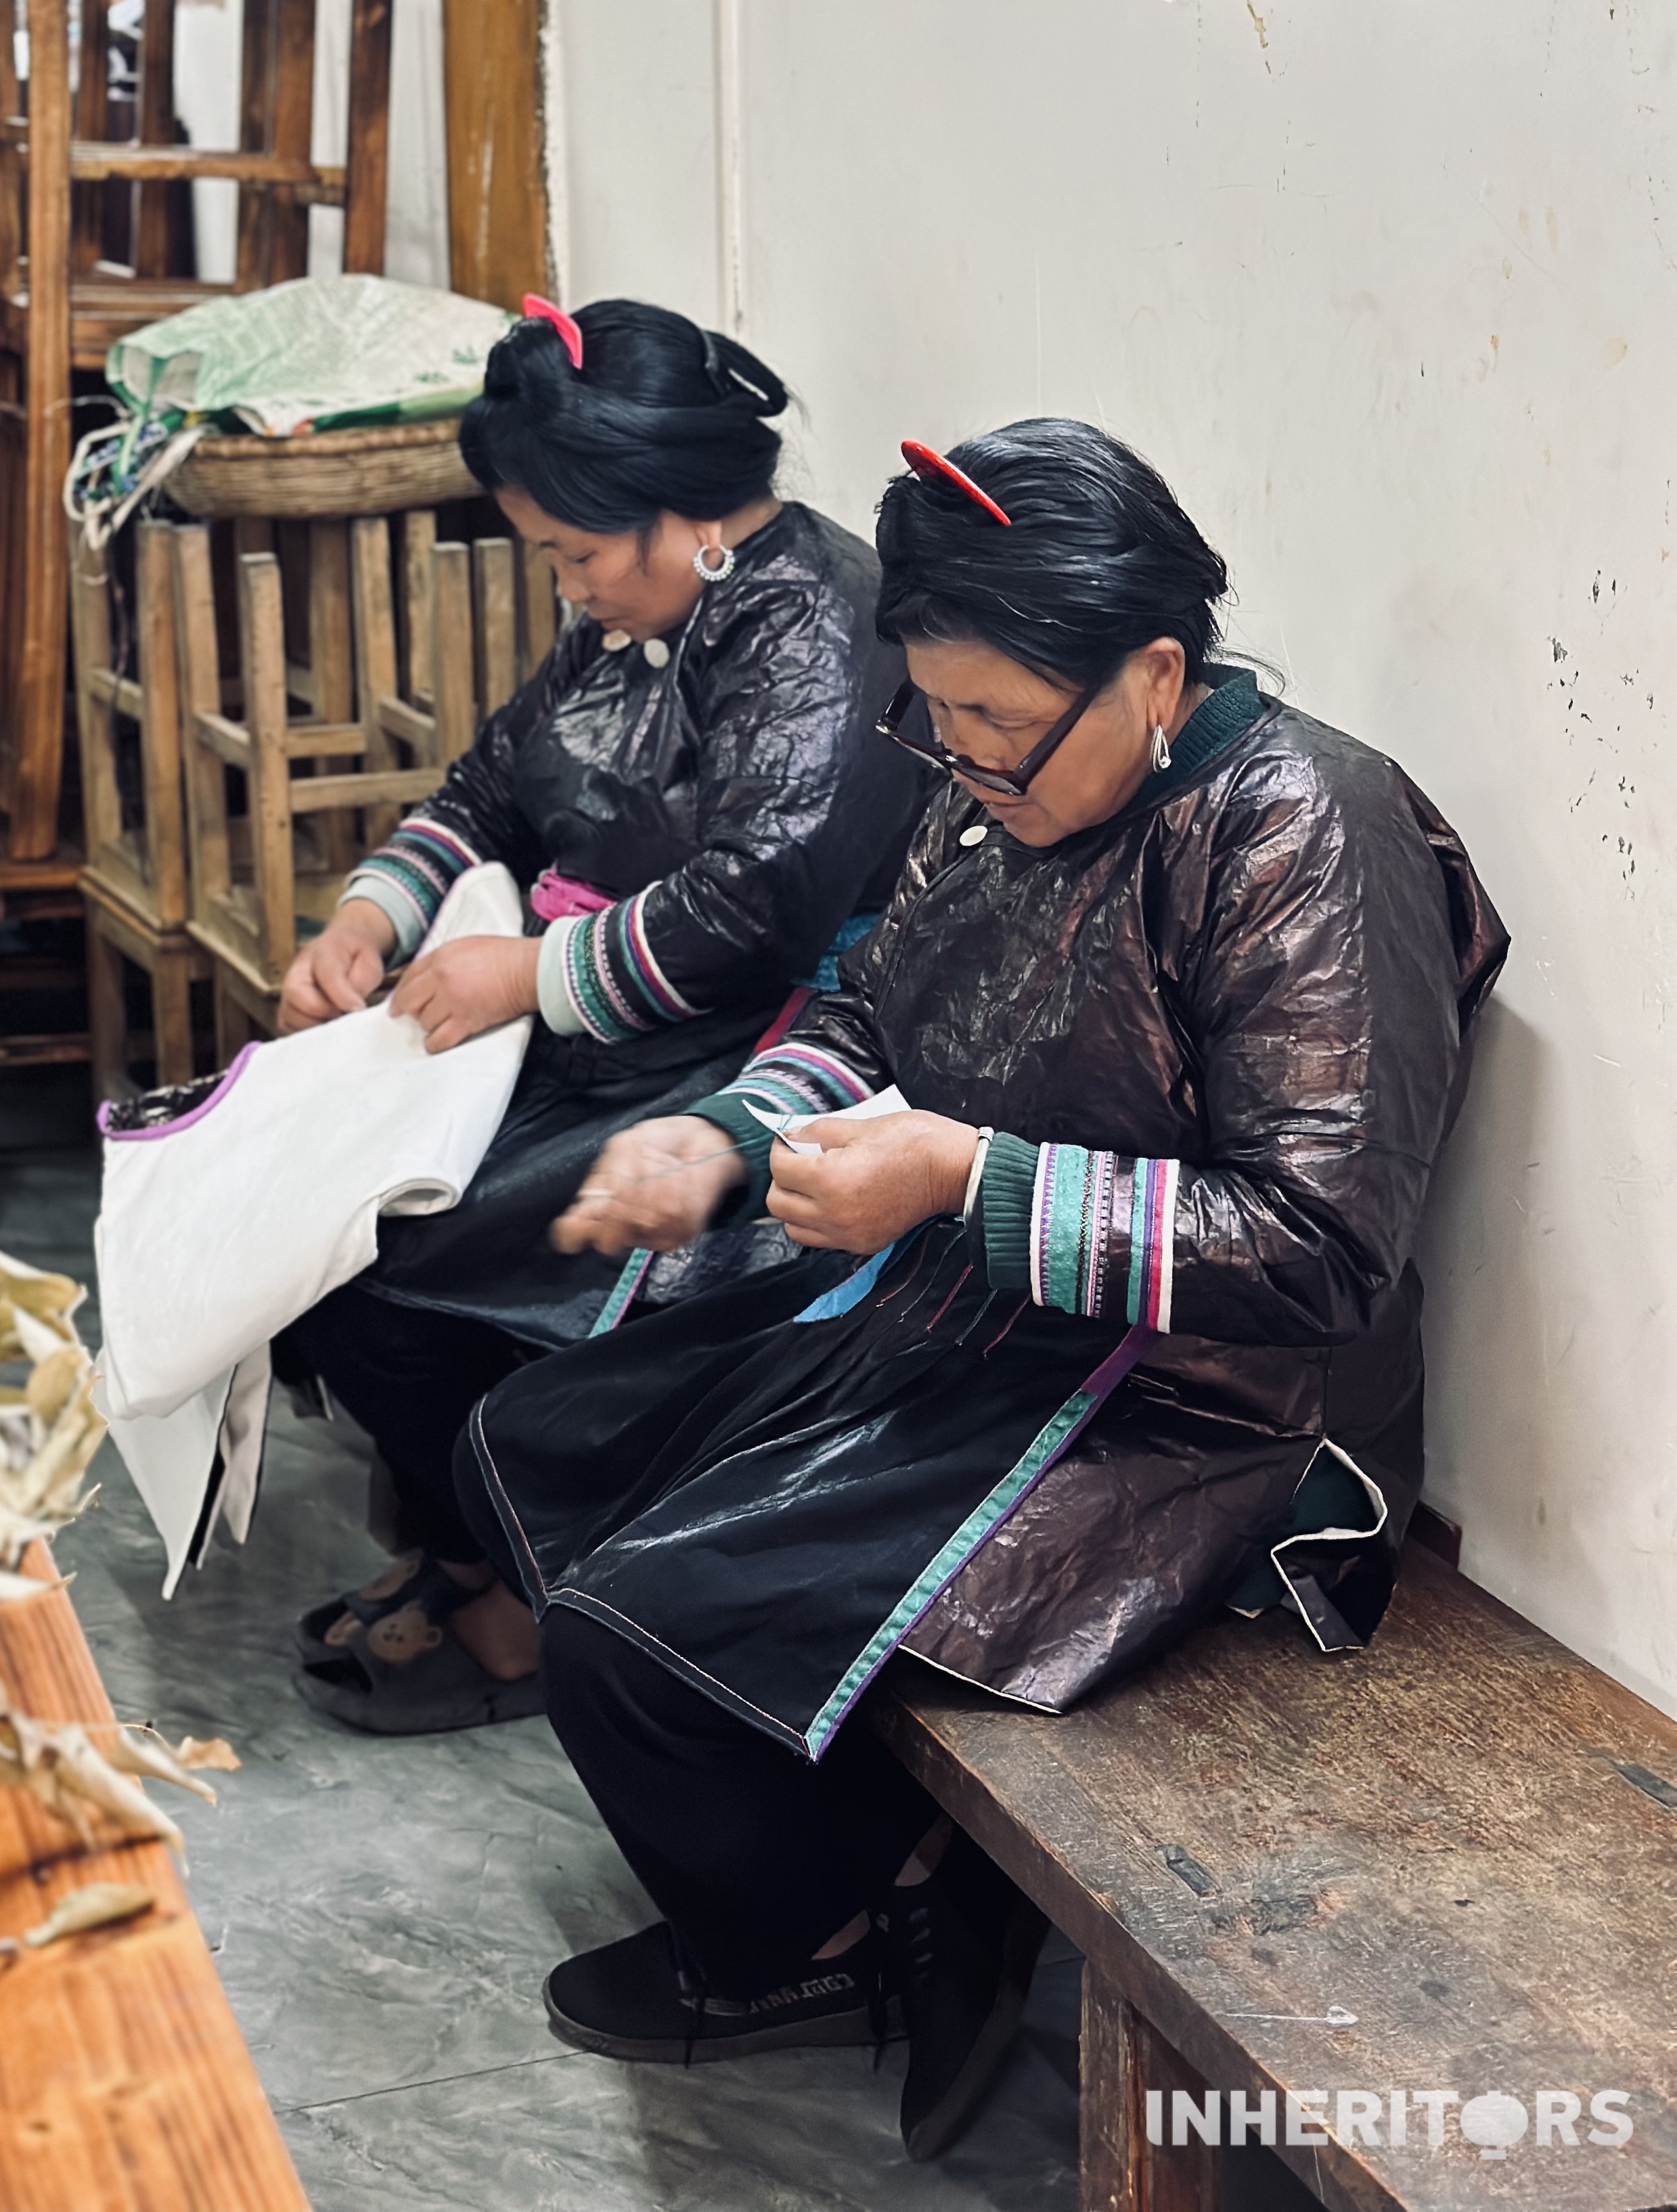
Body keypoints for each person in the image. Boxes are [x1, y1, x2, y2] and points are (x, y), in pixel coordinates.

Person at [455, 417, 1508, 2159]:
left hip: (1201, 1413)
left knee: (633, 1634)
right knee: (548, 1431)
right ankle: (889, 1876)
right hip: (992, 1317)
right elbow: (870, 1009)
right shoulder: (994, 783)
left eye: (1000, 726)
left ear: (1156, 672)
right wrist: (723, 1139)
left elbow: (1320, 1248)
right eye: (936, 716)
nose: (962, 765)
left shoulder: (1306, 827)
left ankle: (823, 1931)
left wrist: (961, 1179)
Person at [271, 297, 929, 1733]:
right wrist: (368, 920)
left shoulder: (816, 625)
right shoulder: (641, 616)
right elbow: (491, 788)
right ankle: (474, 1561)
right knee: (320, 1217)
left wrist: (529, 976)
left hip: (752, 1064)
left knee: (382, 1267)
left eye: (570, 554)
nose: (564, 588)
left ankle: (504, 1598)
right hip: (603, 1038)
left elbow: (760, 904)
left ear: (670, 513)